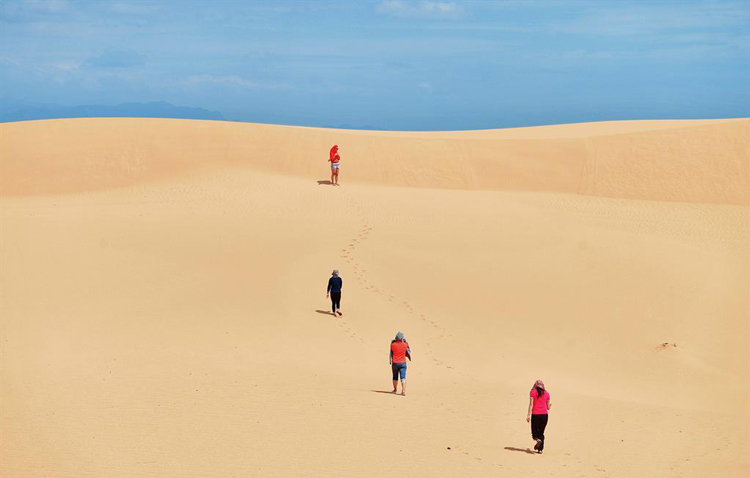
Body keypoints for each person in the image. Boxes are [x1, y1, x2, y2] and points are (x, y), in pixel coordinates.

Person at [526, 379, 551, 454]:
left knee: (534, 433)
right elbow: (548, 408)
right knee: (541, 432)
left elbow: (531, 405)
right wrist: (550, 405)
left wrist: (528, 415)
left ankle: (537, 440)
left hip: (535, 415)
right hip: (544, 416)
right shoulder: (547, 394)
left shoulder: (532, 392)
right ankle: (540, 450)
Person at [389, 332, 411, 396]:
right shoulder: (405, 344)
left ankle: (395, 389)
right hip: (403, 363)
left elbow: (391, 350)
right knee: (403, 377)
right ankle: (403, 391)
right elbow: (409, 350)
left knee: (395, 377)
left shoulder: (393, 345)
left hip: (395, 363)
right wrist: (405, 341)